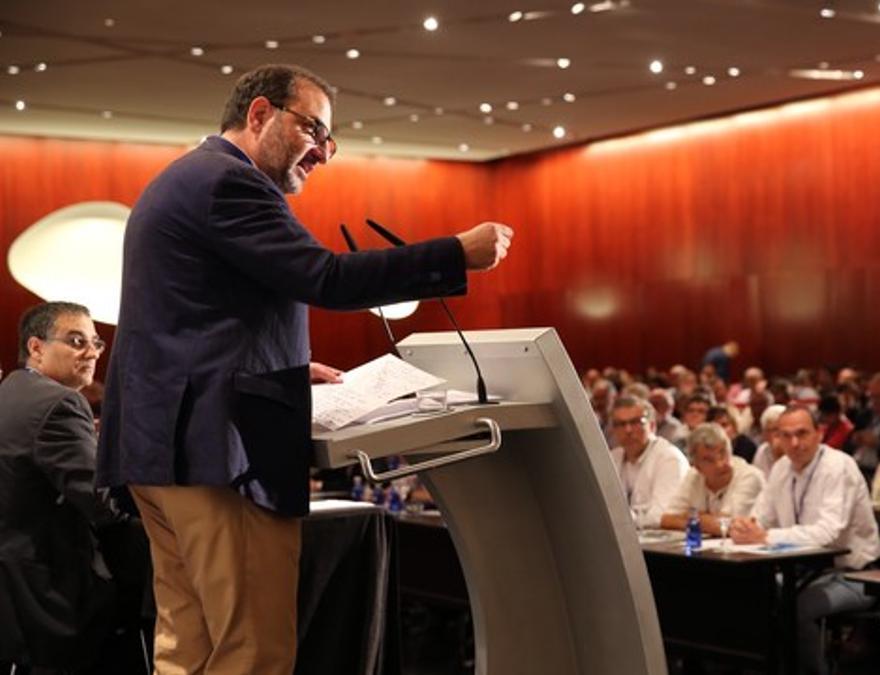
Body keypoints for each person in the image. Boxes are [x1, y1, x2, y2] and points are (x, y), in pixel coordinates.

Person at [96, 64, 512, 675]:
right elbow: (324, 277)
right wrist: (455, 253)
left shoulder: (184, 179)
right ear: (260, 113)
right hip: (219, 456)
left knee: (188, 646)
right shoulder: (229, 184)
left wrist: (284, 368)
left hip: (164, 452)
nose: (322, 153)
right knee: (252, 650)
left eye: (329, 142)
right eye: (313, 130)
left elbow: (194, 324)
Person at [0, 302, 126, 672]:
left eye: (96, 342)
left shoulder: (11, 390)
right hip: (48, 593)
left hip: (13, 584)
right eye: (76, 341)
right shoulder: (61, 403)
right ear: (36, 347)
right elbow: (105, 506)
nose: (91, 352)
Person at [730, 407, 880, 675]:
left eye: (802, 434)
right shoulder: (780, 468)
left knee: (794, 607)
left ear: (819, 433)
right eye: (786, 436)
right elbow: (759, 518)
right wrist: (745, 527)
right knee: (750, 596)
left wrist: (765, 537)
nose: (794, 443)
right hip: (802, 572)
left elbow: (828, 534)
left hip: (856, 574)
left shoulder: (838, 466)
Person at [660, 423, 764, 535]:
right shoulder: (693, 475)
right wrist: (704, 521)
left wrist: (690, 517)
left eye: (723, 453)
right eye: (709, 460)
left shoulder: (750, 476)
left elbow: (726, 526)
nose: (720, 464)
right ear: (696, 465)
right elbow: (666, 520)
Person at [608, 396, 689, 529]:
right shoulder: (613, 457)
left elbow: (660, 517)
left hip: (660, 545)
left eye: (635, 422)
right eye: (621, 424)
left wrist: (618, 518)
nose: (628, 430)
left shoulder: (669, 458)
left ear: (652, 425)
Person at [751, 404, 787, 476]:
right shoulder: (762, 451)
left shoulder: (796, 449)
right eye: (774, 430)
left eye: (782, 429)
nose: (778, 434)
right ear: (765, 434)